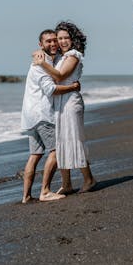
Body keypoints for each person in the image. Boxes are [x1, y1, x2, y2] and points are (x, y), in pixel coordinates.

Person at [33, 21, 96, 194]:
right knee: (62, 142)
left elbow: (60, 76)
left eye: (66, 38)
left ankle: (89, 179)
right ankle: (67, 184)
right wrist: (41, 53)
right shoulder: (61, 56)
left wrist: (41, 63)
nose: (62, 41)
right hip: (60, 102)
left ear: (73, 39)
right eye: (59, 38)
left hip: (71, 102)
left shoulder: (74, 55)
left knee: (74, 139)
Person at [20, 29, 81, 203]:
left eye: (55, 40)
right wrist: (73, 87)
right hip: (42, 115)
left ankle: (26, 196)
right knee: (56, 151)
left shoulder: (43, 60)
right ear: (41, 44)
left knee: (35, 155)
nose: (53, 44)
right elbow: (51, 89)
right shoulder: (42, 62)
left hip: (30, 116)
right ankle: (45, 191)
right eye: (48, 42)